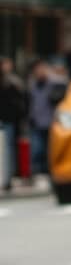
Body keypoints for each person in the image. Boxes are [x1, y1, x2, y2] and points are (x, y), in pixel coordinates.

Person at [27, 61, 58, 180]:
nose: (40, 72)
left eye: (42, 69)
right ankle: (35, 174)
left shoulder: (54, 84)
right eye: (37, 70)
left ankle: (49, 173)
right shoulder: (33, 85)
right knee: (36, 150)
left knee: (49, 150)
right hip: (37, 122)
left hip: (50, 122)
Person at [0, 58, 26, 191]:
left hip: (8, 120)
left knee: (8, 151)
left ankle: (7, 179)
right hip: (7, 120)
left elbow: (21, 101)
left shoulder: (12, 81)